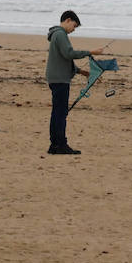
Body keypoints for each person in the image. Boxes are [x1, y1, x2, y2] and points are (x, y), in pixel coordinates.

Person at [45, 9, 103, 155]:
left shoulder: (56, 35)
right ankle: (60, 145)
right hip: (60, 80)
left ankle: (55, 145)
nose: (73, 30)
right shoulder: (60, 34)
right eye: (74, 26)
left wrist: (82, 72)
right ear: (68, 20)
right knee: (60, 113)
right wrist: (91, 52)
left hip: (56, 77)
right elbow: (69, 54)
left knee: (57, 112)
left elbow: (64, 59)